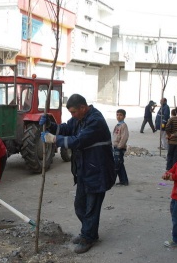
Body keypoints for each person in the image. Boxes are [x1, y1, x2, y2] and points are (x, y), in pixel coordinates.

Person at [39, 94, 116, 254]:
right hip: (84, 170)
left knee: (91, 208)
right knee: (79, 206)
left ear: (83, 108)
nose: (72, 116)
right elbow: (67, 129)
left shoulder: (95, 121)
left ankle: (88, 237)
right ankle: (88, 232)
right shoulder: (79, 118)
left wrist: (53, 139)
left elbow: (78, 141)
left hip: (97, 171)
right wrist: (51, 125)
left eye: (74, 112)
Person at [112, 109, 129, 186]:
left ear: (124, 116)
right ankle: (124, 180)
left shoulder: (123, 125)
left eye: (120, 115)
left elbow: (124, 137)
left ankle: (112, 180)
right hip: (115, 147)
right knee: (120, 164)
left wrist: (119, 147)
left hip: (119, 148)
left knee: (116, 165)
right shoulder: (117, 125)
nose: (118, 116)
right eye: (117, 115)